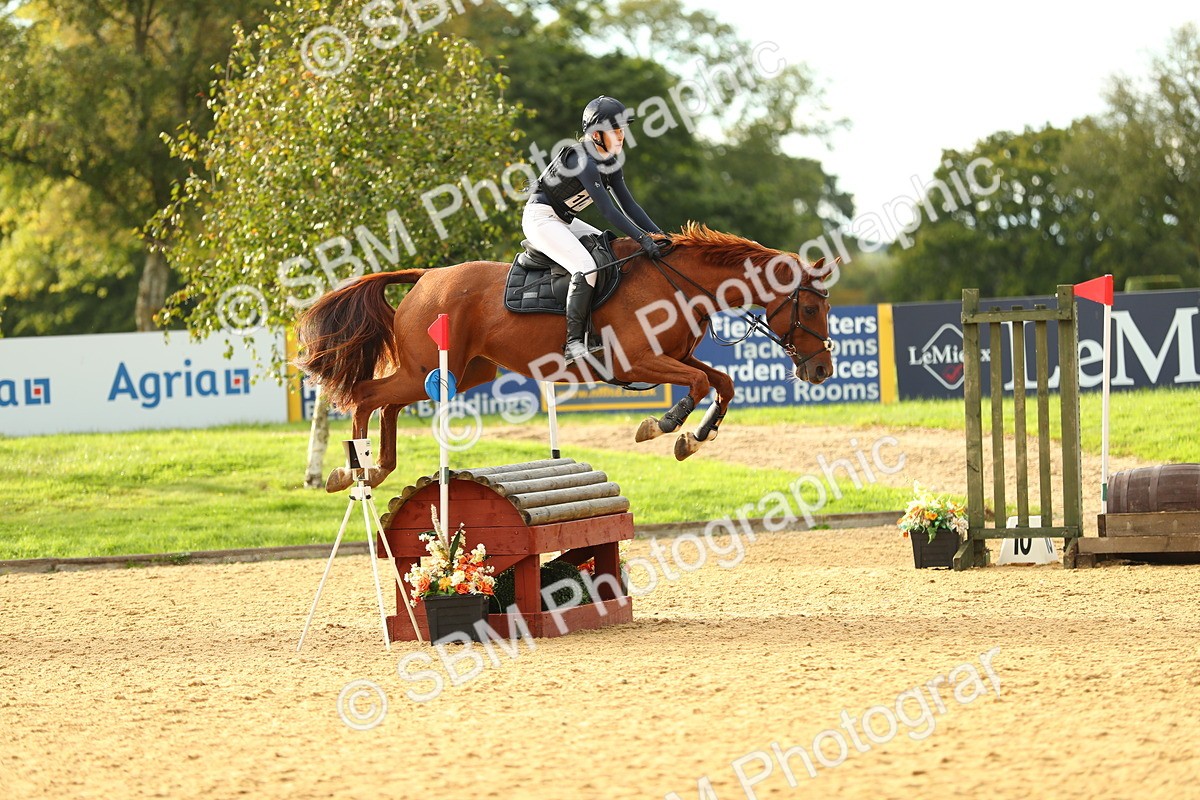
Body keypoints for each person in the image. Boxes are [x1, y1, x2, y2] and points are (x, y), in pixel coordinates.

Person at [524, 95, 664, 365]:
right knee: (586, 265)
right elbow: (608, 212)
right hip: (540, 219)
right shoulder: (583, 159)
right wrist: (643, 239)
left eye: (623, 129)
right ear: (596, 134)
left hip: (563, 220)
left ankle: (598, 325)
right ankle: (574, 343)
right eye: (616, 130)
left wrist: (662, 236)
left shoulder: (611, 160)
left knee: (609, 249)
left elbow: (630, 206)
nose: (622, 136)